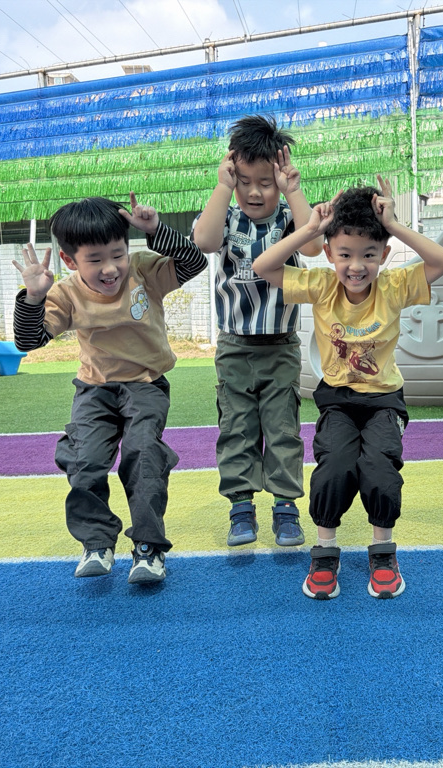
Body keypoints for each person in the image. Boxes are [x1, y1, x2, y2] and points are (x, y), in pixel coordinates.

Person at [252, 177, 443, 599]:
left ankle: (383, 552)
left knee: (380, 469)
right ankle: (326, 552)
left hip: (383, 401)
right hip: (338, 402)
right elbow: (264, 268)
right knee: (334, 469)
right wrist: (310, 230)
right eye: (345, 254)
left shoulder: (394, 286)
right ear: (329, 253)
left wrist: (393, 225)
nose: (356, 265)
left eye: (368, 254)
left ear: (384, 254)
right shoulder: (322, 286)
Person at [12, 194, 208, 584]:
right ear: (70, 260)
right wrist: (33, 297)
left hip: (145, 385)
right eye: (95, 259)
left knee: (144, 455)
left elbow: (194, 262)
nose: (110, 268)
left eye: (117, 254)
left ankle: (148, 548)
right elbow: (28, 340)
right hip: (95, 389)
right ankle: (97, 543)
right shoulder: (66, 293)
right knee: (84, 460)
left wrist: (155, 230)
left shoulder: (143, 271)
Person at [191, 114, 324, 548]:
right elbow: (205, 242)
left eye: (265, 182)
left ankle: (285, 509)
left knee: (282, 428)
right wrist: (221, 187)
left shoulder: (289, 217)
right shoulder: (227, 217)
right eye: (244, 181)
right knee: (237, 428)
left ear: (279, 181)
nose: (254, 191)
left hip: (280, 346)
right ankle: (241, 509)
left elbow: (313, 245)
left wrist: (294, 191)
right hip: (234, 346)